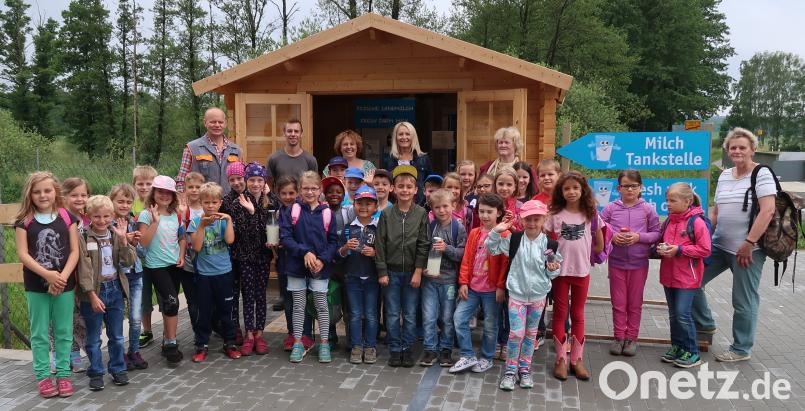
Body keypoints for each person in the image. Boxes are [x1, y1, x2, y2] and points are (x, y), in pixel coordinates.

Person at [692, 127, 777, 363]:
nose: (737, 151)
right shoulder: (726, 175)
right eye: (733, 147)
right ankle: (706, 325)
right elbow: (717, 210)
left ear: (752, 149)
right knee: (692, 281)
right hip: (719, 245)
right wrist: (705, 236)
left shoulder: (761, 174)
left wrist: (749, 242)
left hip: (748, 249)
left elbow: (768, 210)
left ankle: (741, 348)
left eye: (742, 147)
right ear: (728, 151)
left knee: (743, 300)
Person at [15, 172, 80, 398]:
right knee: (40, 332)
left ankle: (63, 374)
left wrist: (61, 277)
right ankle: (43, 376)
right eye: (37, 191)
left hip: (65, 284)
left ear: (55, 192)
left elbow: (74, 251)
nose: (42, 195)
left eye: (47, 190)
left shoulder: (66, 217)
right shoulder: (25, 221)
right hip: (36, 286)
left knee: (63, 331)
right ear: (30, 194)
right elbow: (23, 254)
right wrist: (48, 275)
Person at [486, 200, 561, 391]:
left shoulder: (550, 245)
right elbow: (492, 248)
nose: (532, 223)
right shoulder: (514, 239)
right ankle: (510, 371)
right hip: (517, 295)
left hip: (538, 297)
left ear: (544, 219)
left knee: (530, 334)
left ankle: (524, 369)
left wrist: (553, 269)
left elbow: (553, 271)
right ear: (521, 219)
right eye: (528, 219)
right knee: (515, 334)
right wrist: (497, 230)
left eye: (537, 219)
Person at [544, 171, 604, 381]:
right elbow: (545, 240)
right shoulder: (555, 214)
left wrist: (590, 253)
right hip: (560, 273)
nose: (571, 192)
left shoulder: (590, 213)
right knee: (560, 314)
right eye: (567, 188)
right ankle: (560, 358)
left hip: (581, 272)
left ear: (583, 190)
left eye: (575, 188)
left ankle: (576, 359)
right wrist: (550, 259)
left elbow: (599, 240)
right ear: (561, 191)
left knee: (578, 314)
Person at [77, 195, 136, 391]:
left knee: (117, 336)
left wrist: (124, 240)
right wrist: (92, 295)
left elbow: (128, 262)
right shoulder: (84, 237)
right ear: (88, 216)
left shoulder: (114, 234)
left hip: (115, 289)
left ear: (112, 215)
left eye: (106, 216)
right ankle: (96, 371)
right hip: (94, 292)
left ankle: (118, 368)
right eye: (97, 217)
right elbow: (83, 270)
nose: (102, 221)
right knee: (93, 337)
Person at [280, 171, 339, 363]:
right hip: (297, 266)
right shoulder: (293, 211)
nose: (310, 192)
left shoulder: (327, 213)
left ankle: (324, 343)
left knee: (322, 306)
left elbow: (333, 242)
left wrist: (322, 259)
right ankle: (298, 342)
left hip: (320, 268)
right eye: (306, 188)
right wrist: (304, 252)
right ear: (299, 190)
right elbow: (286, 237)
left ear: (320, 190)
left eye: (314, 188)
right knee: (299, 306)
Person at [601, 170, 660, 356]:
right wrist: (612, 237)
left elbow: (656, 233)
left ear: (641, 188)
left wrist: (638, 237)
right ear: (619, 188)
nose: (630, 190)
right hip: (616, 263)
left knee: (634, 303)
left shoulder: (647, 209)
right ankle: (618, 337)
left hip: (639, 264)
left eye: (634, 186)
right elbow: (600, 229)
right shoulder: (610, 208)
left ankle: (631, 338)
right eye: (626, 186)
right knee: (618, 303)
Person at [375, 165, 430, 368]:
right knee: (390, 312)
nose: (405, 190)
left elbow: (424, 244)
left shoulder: (421, 214)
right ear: (394, 189)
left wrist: (417, 271)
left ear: (416, 190)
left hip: (411, 274)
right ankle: (395, 349)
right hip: (391, 272)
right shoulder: (387, 215)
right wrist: (382, 272)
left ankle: (407, 349)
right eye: (401, 186)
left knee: (409, 313)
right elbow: (379, 245)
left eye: (409, 186)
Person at [450, 193, 508, 374]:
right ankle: (467, 355)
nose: (484, 215)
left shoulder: (505, 234)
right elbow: (467, 259)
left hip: (492, 290)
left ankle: (487, 357)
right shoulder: (475, 232)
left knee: (491, 325)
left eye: (489, 212)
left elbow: (505, 265)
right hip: (473, 288)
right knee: (459, 318)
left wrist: (500, 286)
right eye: (481, 211)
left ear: (498, 213)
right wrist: (463, 282)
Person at [187, 182, 243, 362]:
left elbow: (230, 240)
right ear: (201, 203)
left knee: (226, 310)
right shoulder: (196, 222)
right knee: (204, 311)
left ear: (220, 203)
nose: (210, 206)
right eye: (206, 202)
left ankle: (230, 343)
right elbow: (196, 246)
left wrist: (228, 220)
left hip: (224, 273)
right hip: (204, 275)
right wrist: (202, 226)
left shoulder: (224, 220)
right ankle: (201, 344)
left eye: (214, 202)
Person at [659, 183, 712, 368]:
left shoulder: (696, 222)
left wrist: (679, 250)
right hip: (669, 274)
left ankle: (693, 352)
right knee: (674, 315)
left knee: (683, 314)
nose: (668, 204)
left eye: (672, 200)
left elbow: (705, 249)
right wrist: (661, 248)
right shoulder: (669, 220)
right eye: (667, 200)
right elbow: (665, 241)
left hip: (687, 278)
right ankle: (677, 347)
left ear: (687, 201)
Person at [137, 175, 186, 366]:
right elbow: (144, 241)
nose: (164, 196)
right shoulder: (146, 215)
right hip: (155, 266)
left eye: (168, 193)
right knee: (173, 301)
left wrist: (181, 254)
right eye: (160, 192)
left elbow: (181, 238)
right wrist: (155, 222)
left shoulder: (176, 215)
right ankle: (172, 344)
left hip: (173, 265)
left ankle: (168, 339)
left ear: (173, 196)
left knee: (168, 304)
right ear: (153, 193)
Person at [232, 162, 278, 355]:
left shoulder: (269, 201)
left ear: (265, 181)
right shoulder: (239, 202)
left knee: (261, 296)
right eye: (252, 180)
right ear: (246, 181)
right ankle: (249, 334)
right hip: (246, 257)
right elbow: (243, 233)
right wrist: (251, 213)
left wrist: (272, 241)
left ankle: (260, 333)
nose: (256, 184)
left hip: (263, 257)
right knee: (248, 295)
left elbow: (272, 227)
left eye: (260, 180)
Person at [420, 189, 466, 367]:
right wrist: (424, 269)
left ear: (453, 205)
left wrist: (446, 248)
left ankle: (446, 349)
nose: (442, 210)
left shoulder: (458, 228)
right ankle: (430, 348)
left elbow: (462, 254)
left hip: (448, 281)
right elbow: (423, 250)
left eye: (445, 206)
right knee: (429, 316)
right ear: (432, 209)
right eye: (437, 207)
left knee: (447, 317)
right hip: (430, 280)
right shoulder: (429, 226)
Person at [274, 176, 316, 352]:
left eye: (291, 192)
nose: (288, 196)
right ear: (278, 194)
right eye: (283, 193)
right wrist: (274, 245)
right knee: (289, 300)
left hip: (302, 261)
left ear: (298, 192)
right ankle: (293, 333)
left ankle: (306, 334)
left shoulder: (303, 211)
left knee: (304, 299)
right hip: (284, 262)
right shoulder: (277, 213)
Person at [108, 184, 148, 371]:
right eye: (120, 201)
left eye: (128, 202)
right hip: (117, 276)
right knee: (116, 318)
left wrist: (134, 241)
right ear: (111, 201)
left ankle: (134, 350)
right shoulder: (106, 223)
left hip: (135, 274)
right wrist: (121, 239)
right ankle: (119, 353)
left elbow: (142, 251)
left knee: (135, 317)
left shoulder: (133, 221)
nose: (124, 205)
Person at [340, 185, 380, 364]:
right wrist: (346, 247)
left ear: (376, 207)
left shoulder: (379, 228)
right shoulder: (348, 228)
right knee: (355, 314)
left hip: (372, 278)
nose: (364, 207)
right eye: (360, 203)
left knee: (371, 314)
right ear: (354, 204)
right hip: (352, 277)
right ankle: (356, 346)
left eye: (368, 204)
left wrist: (375, 253)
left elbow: (385, 252)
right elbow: (339, 254)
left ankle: (370, 346)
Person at [176, 107, 242, 194]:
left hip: (230, 205)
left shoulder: (236, 150)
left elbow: (242, 180)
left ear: (225, 124)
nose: (217, 125)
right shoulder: (191, 148)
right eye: (213, 122)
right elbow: (181, 181)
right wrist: (182, 201)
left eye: (220, 122)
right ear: (205, 123)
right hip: (201, 204)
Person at [61, 177, 90, 373]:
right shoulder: (60, 218)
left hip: (84, 276)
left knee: (80, 317)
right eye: (74, 195)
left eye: (84, 195)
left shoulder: (89, 219)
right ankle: (64, 354)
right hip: (64, 275)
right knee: (62, 317)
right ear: (64, 197)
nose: (80, 199)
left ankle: (76, 351)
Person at [219, 162, 248, 345]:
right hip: (232, 254)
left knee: (248, 293)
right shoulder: (226, 201)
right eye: (232, 179)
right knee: (233, 293)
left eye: (239, 178)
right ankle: (234, 328)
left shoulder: (253, 196)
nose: (236, 182)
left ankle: (250, 329)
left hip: (250, 253)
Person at [131, 166, 158, 350]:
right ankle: (146, 331)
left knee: (165, 297)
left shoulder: (158, 203)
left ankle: (169, 333)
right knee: (144, 297)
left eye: (149, 183)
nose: (144, 187)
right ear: (134, 185)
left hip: (159, 256)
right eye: (140, 183)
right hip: (139, 261)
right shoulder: (130, 205)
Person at [178, 172, 205, 333]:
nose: (194, 190)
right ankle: (198, 331)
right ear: (185, 189)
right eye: (191, 187)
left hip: (205, 261)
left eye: (198, 187)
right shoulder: (182, 210)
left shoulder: (207, 208)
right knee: (192, 300)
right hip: (187, 261)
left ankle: (208, 326)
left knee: (206, 297)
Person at [381, 122, 433, 204]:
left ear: (413, 137)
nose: (404, 137)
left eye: (407, 134)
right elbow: (385, 183)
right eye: (400, 134)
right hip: (395, 205)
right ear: (395, 137)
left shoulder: (423, 159)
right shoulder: (388, 159)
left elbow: (430, 184)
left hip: (420, 205)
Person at [267, 118, 318, 186]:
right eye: (289, 131)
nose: (293, 134)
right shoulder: (273, 159)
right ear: (284, 133)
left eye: (296, 131)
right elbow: (269, 186)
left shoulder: (311, 160)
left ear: (301, 134)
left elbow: (314, 185)